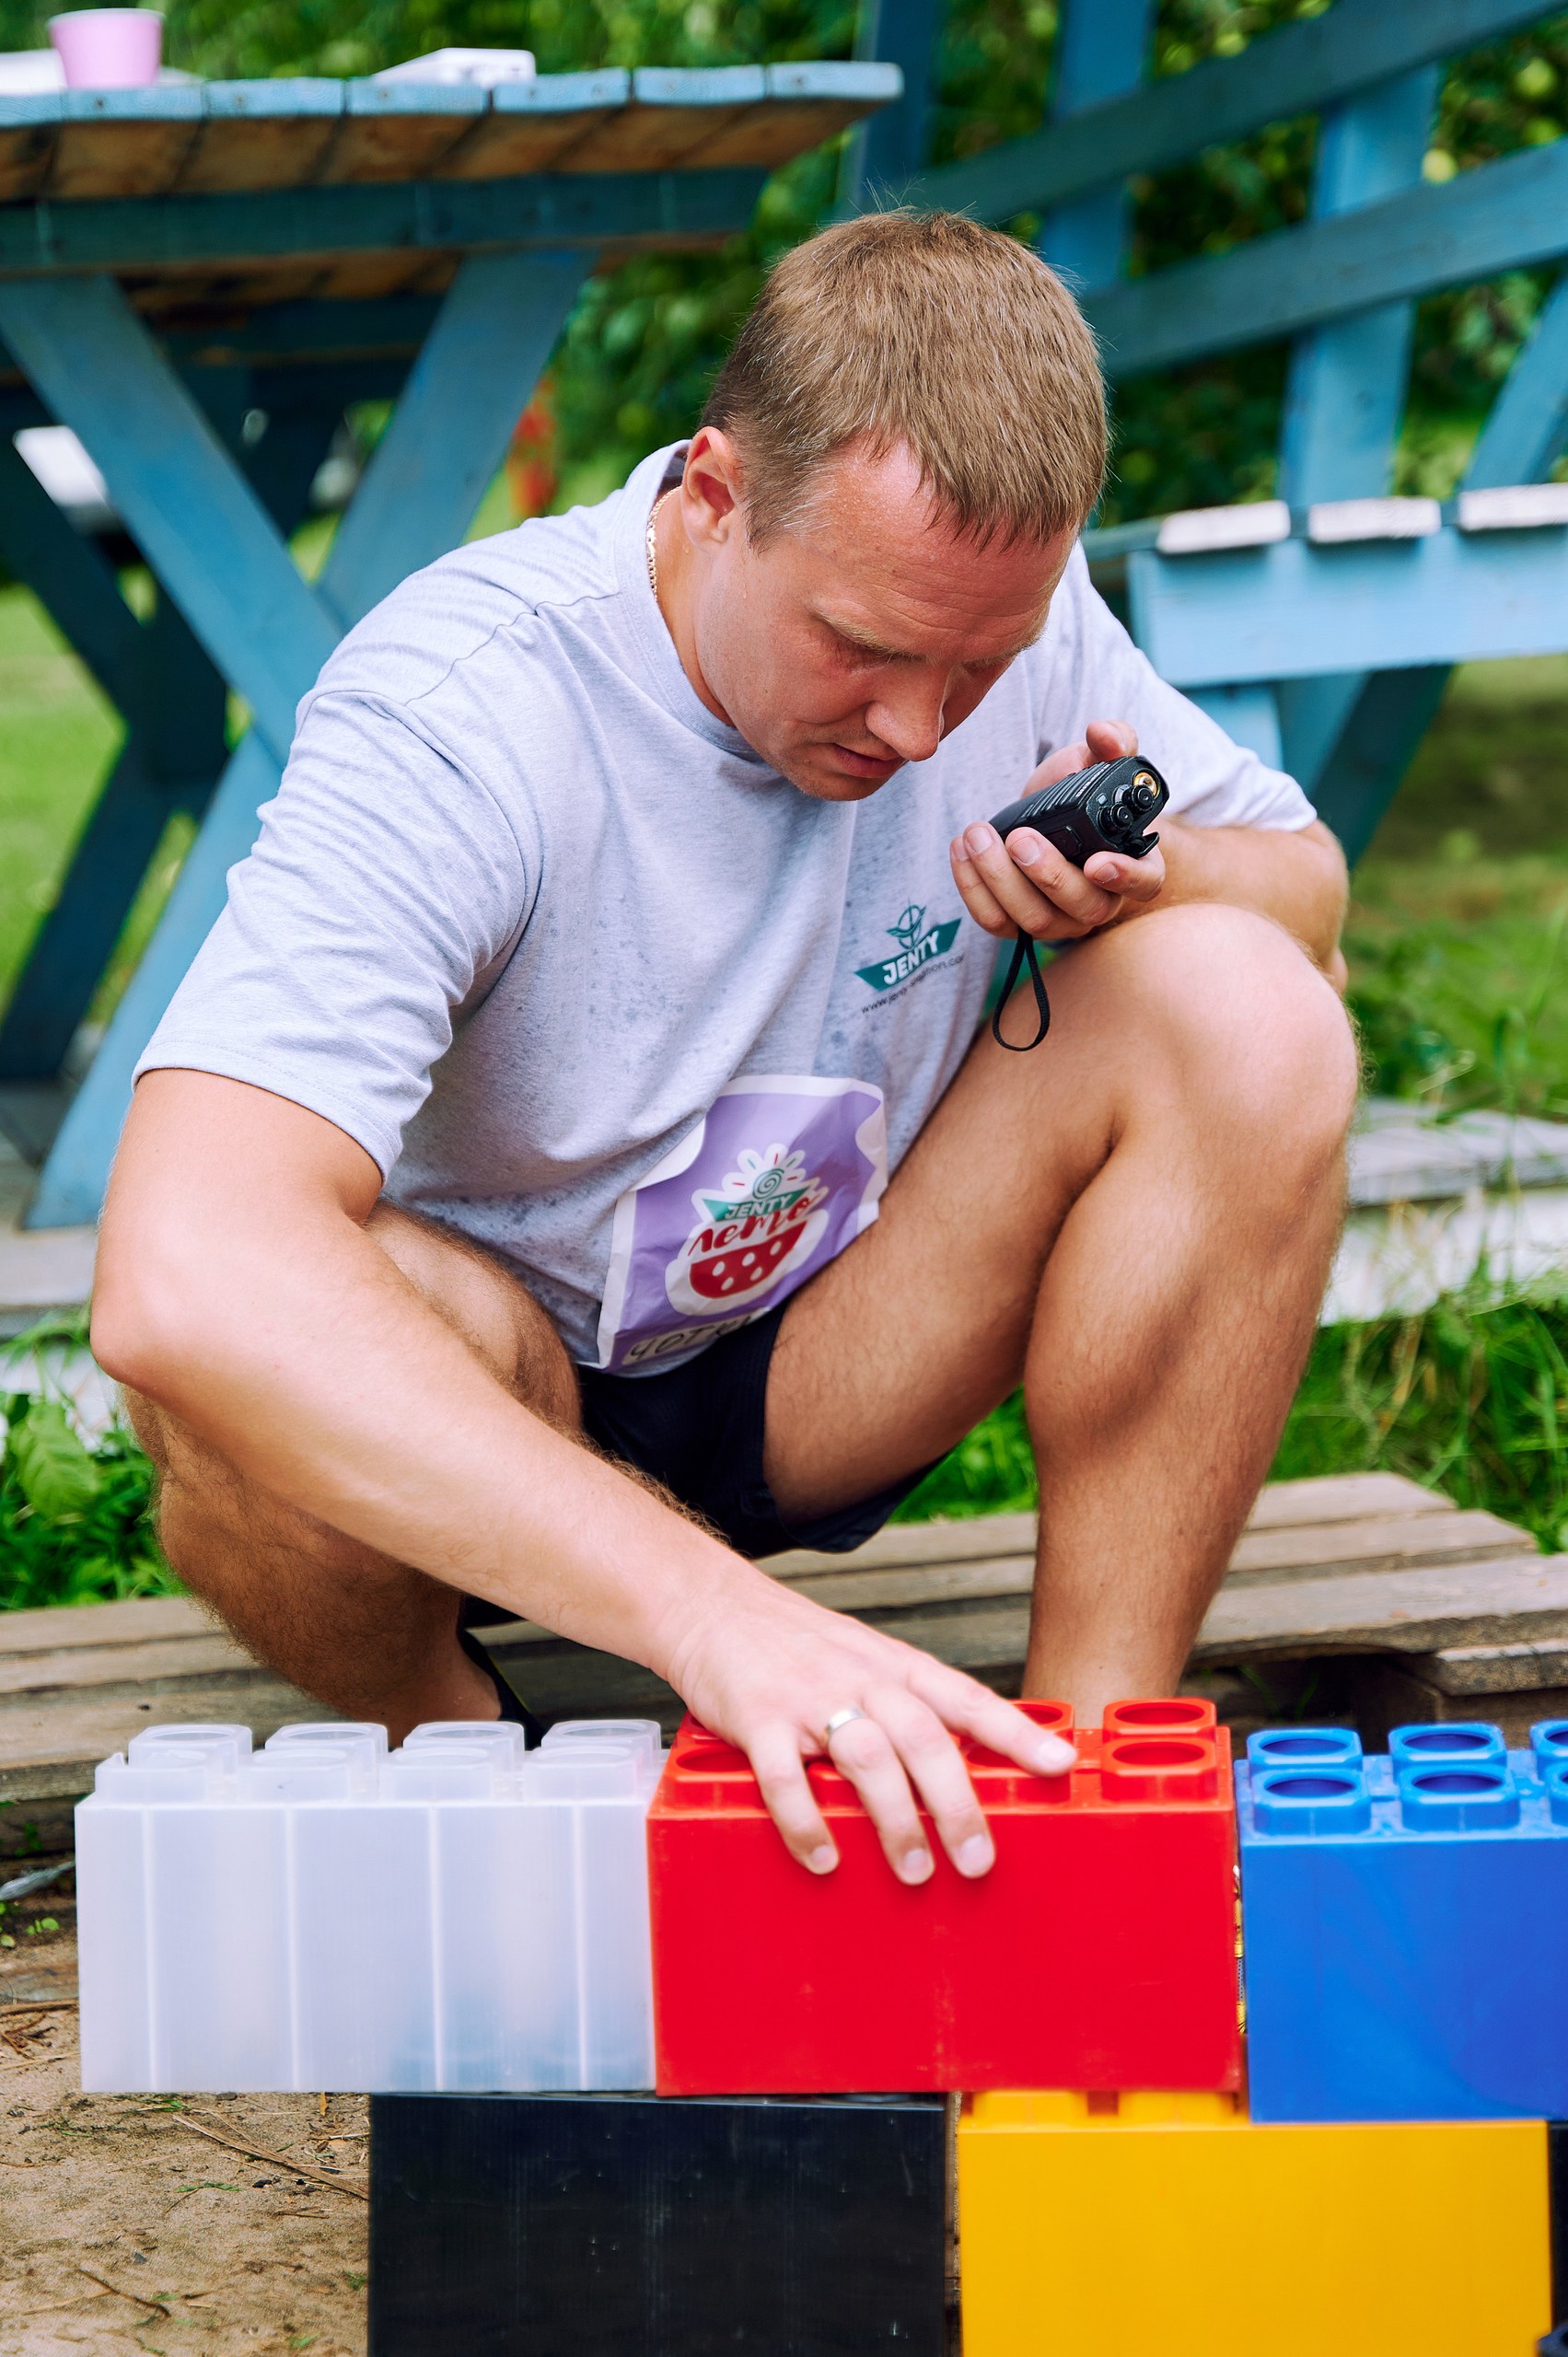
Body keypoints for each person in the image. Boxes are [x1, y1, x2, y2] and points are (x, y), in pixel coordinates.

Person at [92, 211, 1356, 1891]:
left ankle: (1093, 1787)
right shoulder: (465, 705)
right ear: (714, 492)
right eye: (866, 649)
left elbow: (1312, 890)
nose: (920, 728)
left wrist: (1148, 867)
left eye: (975, 667)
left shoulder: (1008, 617)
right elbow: (179, 1271)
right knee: (242, 1346)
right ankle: (465, 1759)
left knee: (1254, 1004)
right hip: (481, 1407)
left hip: (823, 1353)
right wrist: (717, 1619)